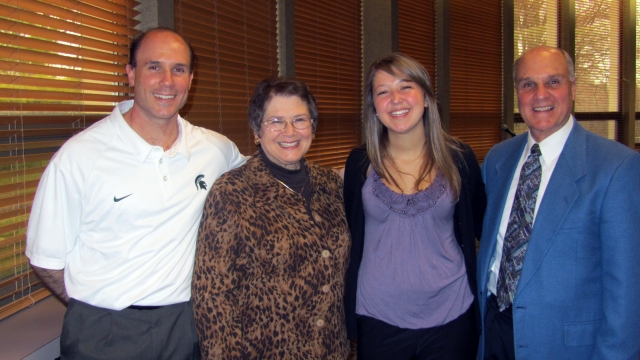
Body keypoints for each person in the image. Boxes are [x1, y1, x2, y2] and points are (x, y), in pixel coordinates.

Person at [25, 27, 247, 359]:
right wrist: (96, 306)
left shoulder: (214, 149)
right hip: (104, 333)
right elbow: (46, 260)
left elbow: (262, 181)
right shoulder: (80, 156)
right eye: (153, 66)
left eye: (179, 69)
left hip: (188, 327)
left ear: (191, 79)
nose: (167, 81)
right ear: (131, 74)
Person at [476, 46, 640, 359]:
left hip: (563, 344)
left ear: (573, 88)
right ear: (517, 93)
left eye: (553, 82)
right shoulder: (498, 159)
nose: (540, 95)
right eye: (528, 84)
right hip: (494, 332)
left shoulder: (618, 168)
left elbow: (628, 293)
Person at [192, 78, 351, 359]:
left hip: (331, 350)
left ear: (312, 127)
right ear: (256, 130)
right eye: (276, 121)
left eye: (300, 119)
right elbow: (213, 298)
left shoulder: (330, 186)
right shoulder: (232, 192)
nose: (289, 131)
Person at [342, 53, 486, 359]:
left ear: (426, 98)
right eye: (383, 91)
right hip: (378, 318)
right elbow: (348, 231)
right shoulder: (359, 164)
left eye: (406, 87)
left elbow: (482, 226)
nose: (396, 99)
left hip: (453, 315)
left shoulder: (459, 159)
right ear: (374, 107)